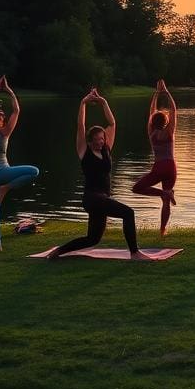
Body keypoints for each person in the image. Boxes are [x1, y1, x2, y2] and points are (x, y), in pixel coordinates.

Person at [50, 88, 148, 260]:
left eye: (102, 139)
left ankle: (58, 251)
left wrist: (103, 102)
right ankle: (135, 253)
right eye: (97, 140)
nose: (101, 142)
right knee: (128, 213)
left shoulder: (106, 150)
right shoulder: (84, 151)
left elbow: (112, 124)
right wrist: (83, 103)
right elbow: (80, 126)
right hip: (92, 197)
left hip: (102, 198)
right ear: (89, 141)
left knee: (92, 239)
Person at [0, 76, 40, 251]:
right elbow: (16, 110)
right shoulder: (5, 133)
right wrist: (9, 91)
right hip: (2, 173)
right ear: (0, 122)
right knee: (34, 171)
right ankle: (7, 187)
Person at [132, 79, 178, 237]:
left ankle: (165, 193)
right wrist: (166, 92)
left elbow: (152, 111)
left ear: (152, 121)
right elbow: (173, 110)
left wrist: (156, 93)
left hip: (158, 167)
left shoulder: (151, 134)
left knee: (136, 188)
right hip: (170, 168)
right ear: (166, 121)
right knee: (166, 200)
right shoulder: (169, 132)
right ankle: (162, 230)